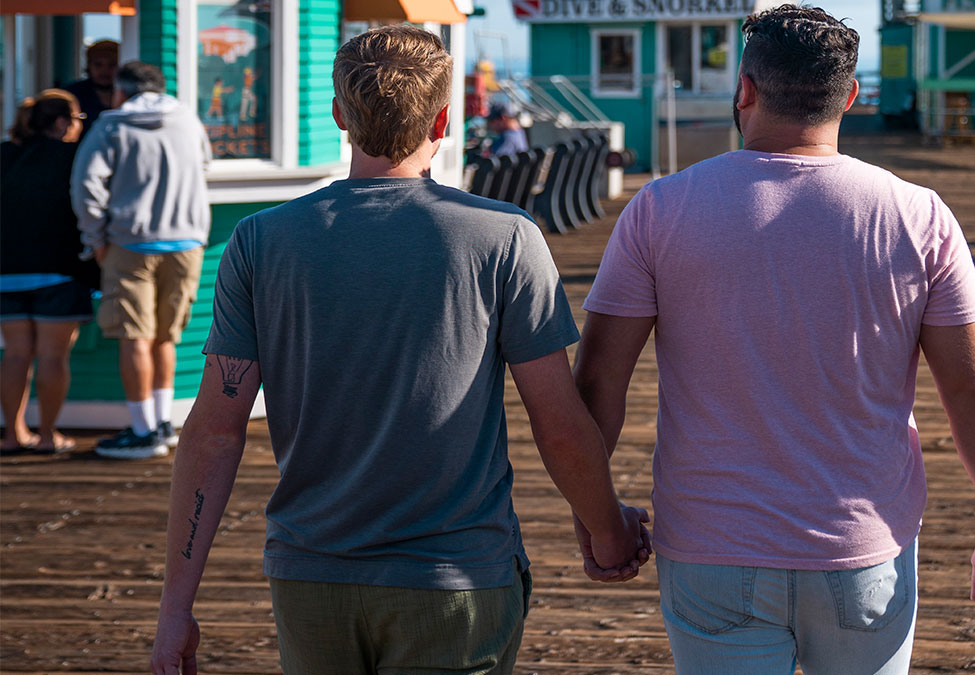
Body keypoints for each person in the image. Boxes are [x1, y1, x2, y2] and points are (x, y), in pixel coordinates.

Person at [150, 25, 649, 674]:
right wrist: (608, 534)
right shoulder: (504, 238)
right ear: (444, 118)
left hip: (311, 579)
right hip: (456, 581)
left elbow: (214, 432)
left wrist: (174, 606)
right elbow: (557, 425)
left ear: (338, 115)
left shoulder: (260, 241)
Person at [573, 6, 975, 674]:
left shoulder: (660, 208)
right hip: (862, 552)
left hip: (712, 552)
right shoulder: (918, 214)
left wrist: (600, 519)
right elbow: (974, 388)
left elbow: (597, 385)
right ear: (850, 97)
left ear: (745, 92)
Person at [70, 61, 212, 460]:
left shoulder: (112, 126)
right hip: (186, 243)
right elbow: (204, 167)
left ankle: (141, 429)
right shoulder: (188, 121)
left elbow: (86, 185)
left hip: (130, 243)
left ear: (121, 91)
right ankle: (162, 423)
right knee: (166, 336)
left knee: (134, 336)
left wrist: (94, 239)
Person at [1, 90, 96, 455]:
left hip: (6, 270)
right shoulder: (74, 157)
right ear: (61, 123)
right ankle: (47, 435)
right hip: (59, 270)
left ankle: (12, 434)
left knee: (15, 354)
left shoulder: (5, 154)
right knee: (53, 356)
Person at [64, 40, 119, 138]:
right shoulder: (73, 94)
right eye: (98, 64)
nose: (105, 70)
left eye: (112, 65)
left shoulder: (128, 93)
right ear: (89, 66)